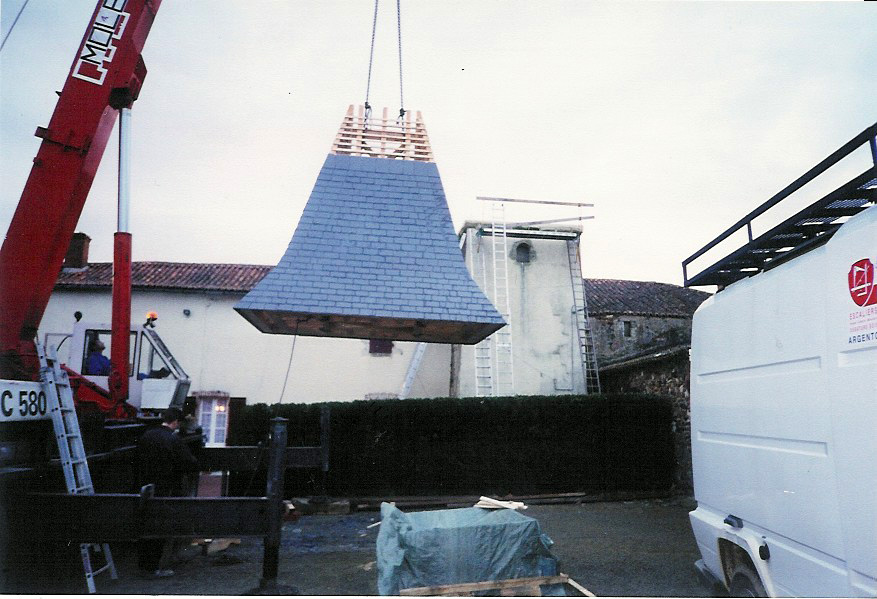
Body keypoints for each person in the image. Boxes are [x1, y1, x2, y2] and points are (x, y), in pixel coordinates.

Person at [137, 407, 200, 577]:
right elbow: (189, 462)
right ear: (176, 422)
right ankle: (155, 567)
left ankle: (145, 565)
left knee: (147, 526)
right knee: (161, 527)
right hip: (166, 488)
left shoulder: (147, 435)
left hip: (146, 487)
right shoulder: (173, 439)